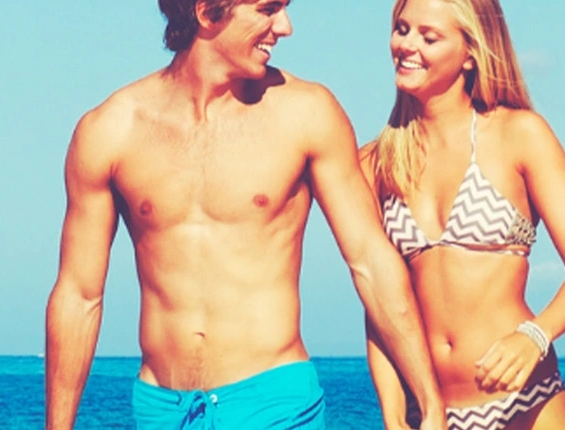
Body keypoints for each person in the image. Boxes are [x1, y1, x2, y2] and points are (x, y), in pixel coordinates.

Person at [43, 1, 452, 428]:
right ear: (206, 12)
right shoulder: (110, 130)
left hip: (276, 403)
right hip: (161, 410)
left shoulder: (306, 113)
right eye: (268, 9)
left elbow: (370, 261)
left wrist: (430, 403)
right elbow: (78, 295)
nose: (285, 27)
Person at [359, 0, 565, 429]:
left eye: (429, 36)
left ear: (471, 52)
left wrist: (535, 336)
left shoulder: (519, 135)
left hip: (526, 402)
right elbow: (380, 306)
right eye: (402, 29)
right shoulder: (375, 163)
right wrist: (394, 414)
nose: (407, 45)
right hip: (432, 414)